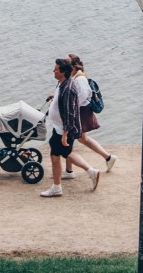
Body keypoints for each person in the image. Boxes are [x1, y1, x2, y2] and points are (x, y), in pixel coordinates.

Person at [40, 58, 100, 197]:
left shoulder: (68, 88)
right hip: (59, 127)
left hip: (63, 129)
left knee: (64, 153)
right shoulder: (62, 84)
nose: (53, 71)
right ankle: (57, 186)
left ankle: (90, 172)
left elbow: (70, 112)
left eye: (56, 69)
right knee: (58, 155)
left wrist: (65, 134)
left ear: (63, 72)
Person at [64, 54, 116, 177]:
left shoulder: (80, 79)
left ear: (74, 66)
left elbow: (82, 96)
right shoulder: (75, 77)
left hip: (80, 111)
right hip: (81, 111)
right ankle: (108, 157)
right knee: (81, 139)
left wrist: (68, 105)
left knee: (68, 140)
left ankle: (69, 171)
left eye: (66, 62)